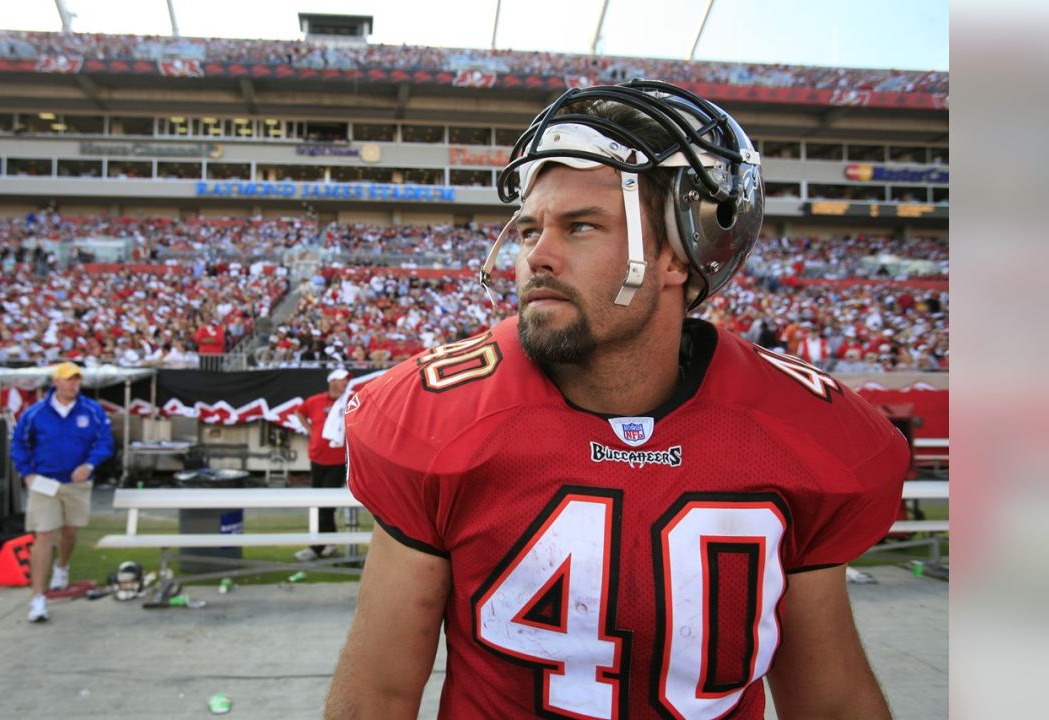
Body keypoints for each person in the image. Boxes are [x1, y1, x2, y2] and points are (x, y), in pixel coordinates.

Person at [327, 80, 909, 719]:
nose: (535, 258)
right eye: (527, 230)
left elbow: (831, 700)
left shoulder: (798, 431)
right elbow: (377, 696)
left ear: (679, 255)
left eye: (580, 227)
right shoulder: (439, 416)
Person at [11, 361, 114, 623]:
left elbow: (104, 441)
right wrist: (27, 472)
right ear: (55, 382)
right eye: (69, 379)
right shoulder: (35, 413)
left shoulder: (92, 410)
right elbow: (19, 444)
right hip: (44, 481)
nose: (74, 384)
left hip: (76, 482)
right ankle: (38, 598)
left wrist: (90, 464)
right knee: (44, 534)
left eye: (77, 379)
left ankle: (62, 567)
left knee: (69, 531)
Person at [291, 367, 352, 562]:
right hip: (317, 457)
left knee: (326, 506)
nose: (345, 383)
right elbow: (300, 412)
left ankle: (318, 546)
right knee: (319, 505)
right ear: (332, 381)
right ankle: (329, 543)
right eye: (343, 380)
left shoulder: (348, 401)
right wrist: (310, 431)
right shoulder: (315, 400)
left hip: (337, 460)